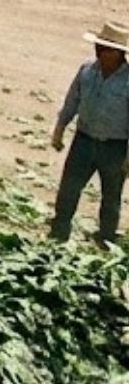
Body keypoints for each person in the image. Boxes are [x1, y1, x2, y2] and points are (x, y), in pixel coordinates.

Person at [50, 20, 129, 245]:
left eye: (105, 49)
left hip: (115, 147)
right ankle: (59, 234)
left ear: (118, 53)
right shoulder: (87, 70)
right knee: (69, 190)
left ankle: (105, 239)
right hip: (83, 140)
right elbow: (71, 102)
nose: (99, 51)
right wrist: (59, 131)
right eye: (99, 47)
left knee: (111, 197)